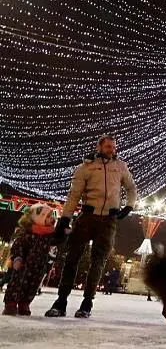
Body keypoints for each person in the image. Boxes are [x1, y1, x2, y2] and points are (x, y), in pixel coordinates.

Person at [45, 135, 138, 319]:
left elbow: (131, 187)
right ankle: (61, 302)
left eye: (113, 147)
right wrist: (65, 218)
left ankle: (87, 304)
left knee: (98, 262)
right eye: (108, 147)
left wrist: (129, 206)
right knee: (72, 259)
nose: (111, 150)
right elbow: (74, 195)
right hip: (87, 217)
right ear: (99, 147)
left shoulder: (120, 167)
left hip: (109, 220)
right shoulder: (85, 167)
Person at [3, 205, 56, 316]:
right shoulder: (27, 233)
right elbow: (18, 246)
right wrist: (18, 258)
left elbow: (58, 240)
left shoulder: (49, 234)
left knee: (32, 285)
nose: (52, 219)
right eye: (48, 216)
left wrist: (64, 232)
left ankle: (24, 303)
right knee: (17, 284)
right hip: (24, 265)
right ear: (38, 218)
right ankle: (11, 304)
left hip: (39, 266)